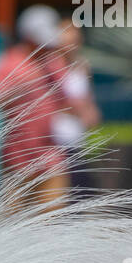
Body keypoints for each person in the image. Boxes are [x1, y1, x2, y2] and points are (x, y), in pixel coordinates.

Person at [0, 5, 70, 209]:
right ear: (27, 37)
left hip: (50, 153)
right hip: (17, 155)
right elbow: (0, 100)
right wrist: (28, 82)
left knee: (52, 217)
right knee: (16, 217)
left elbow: (67, 99)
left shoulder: (54, 62)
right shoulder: (9, 62)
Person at [54, 18, 101, 196]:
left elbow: (86, 97)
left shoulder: (82, 66)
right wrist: (78, 109)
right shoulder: (51, 66)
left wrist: (91, 112)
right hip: (55, 138)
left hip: (77, 137)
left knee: (79, 192)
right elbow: (52, 101)